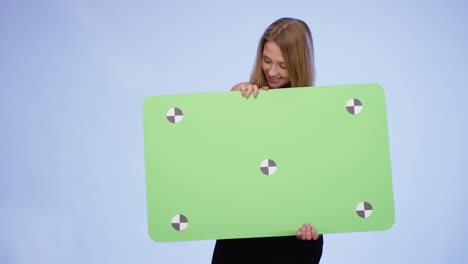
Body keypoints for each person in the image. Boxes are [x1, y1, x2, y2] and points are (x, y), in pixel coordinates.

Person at [211, 17, 323, 264]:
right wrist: (234, 104)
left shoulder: (318, 113)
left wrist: (319, 219)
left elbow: (325, 176)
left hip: (295, 239)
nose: (272, 72)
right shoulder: (246, 97)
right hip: (242, 233)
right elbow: (221, 159)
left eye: (283, 65)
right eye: (267, 60)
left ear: (299, 64)